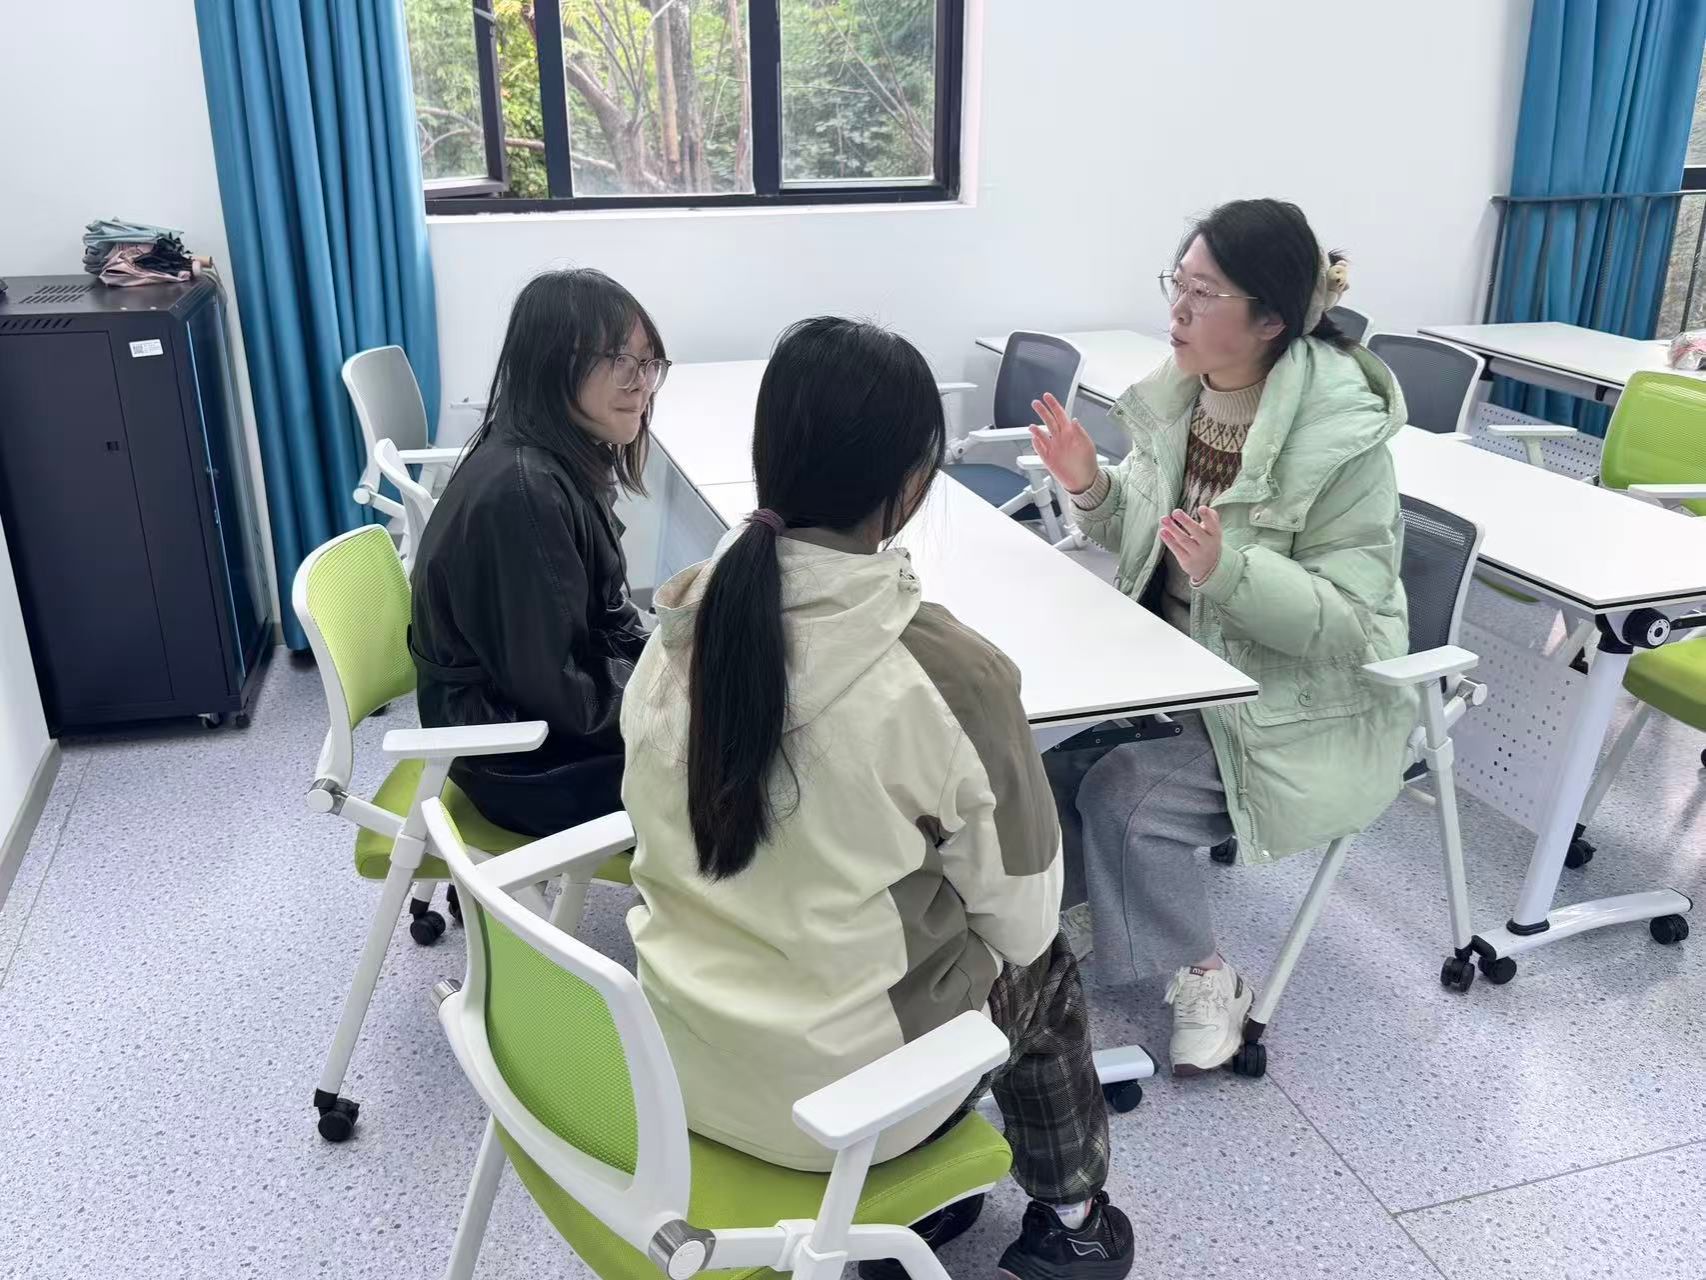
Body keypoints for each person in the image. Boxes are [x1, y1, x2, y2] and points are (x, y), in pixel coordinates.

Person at [622, 318, 1135, 1280]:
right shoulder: (948, 677)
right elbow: (1021, 924)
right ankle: (1073, 1220)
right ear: (911, 488)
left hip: (675, 1067)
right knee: (1047, 967)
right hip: (840, 1112)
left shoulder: (684, 618)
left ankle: (927, 1196)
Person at [1032, 199, 1414, 1076]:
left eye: (1204, 294)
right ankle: (1086, 917)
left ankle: (1209, 976)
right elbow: (1149, 537)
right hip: (1177, 673)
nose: (1178, 310)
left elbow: (1353, 622)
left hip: (1290, 705)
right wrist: (1090, 487)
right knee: (1041, 767)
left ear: (1270, 320)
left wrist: (1227, 572)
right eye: (1178, 284)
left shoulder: (1343, 446)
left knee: (1124, 794)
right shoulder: (1186, 400)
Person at [409, 268, 669, 837]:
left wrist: (678, 662)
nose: (642, 385)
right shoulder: (523, 493)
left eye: (649, 364)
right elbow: (566, 697)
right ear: (553, 363)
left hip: (535, 726)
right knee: (751, 778)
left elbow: (600, 622)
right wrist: (678, 703)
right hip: (519, 761)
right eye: (621, 362)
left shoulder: (555, 456)